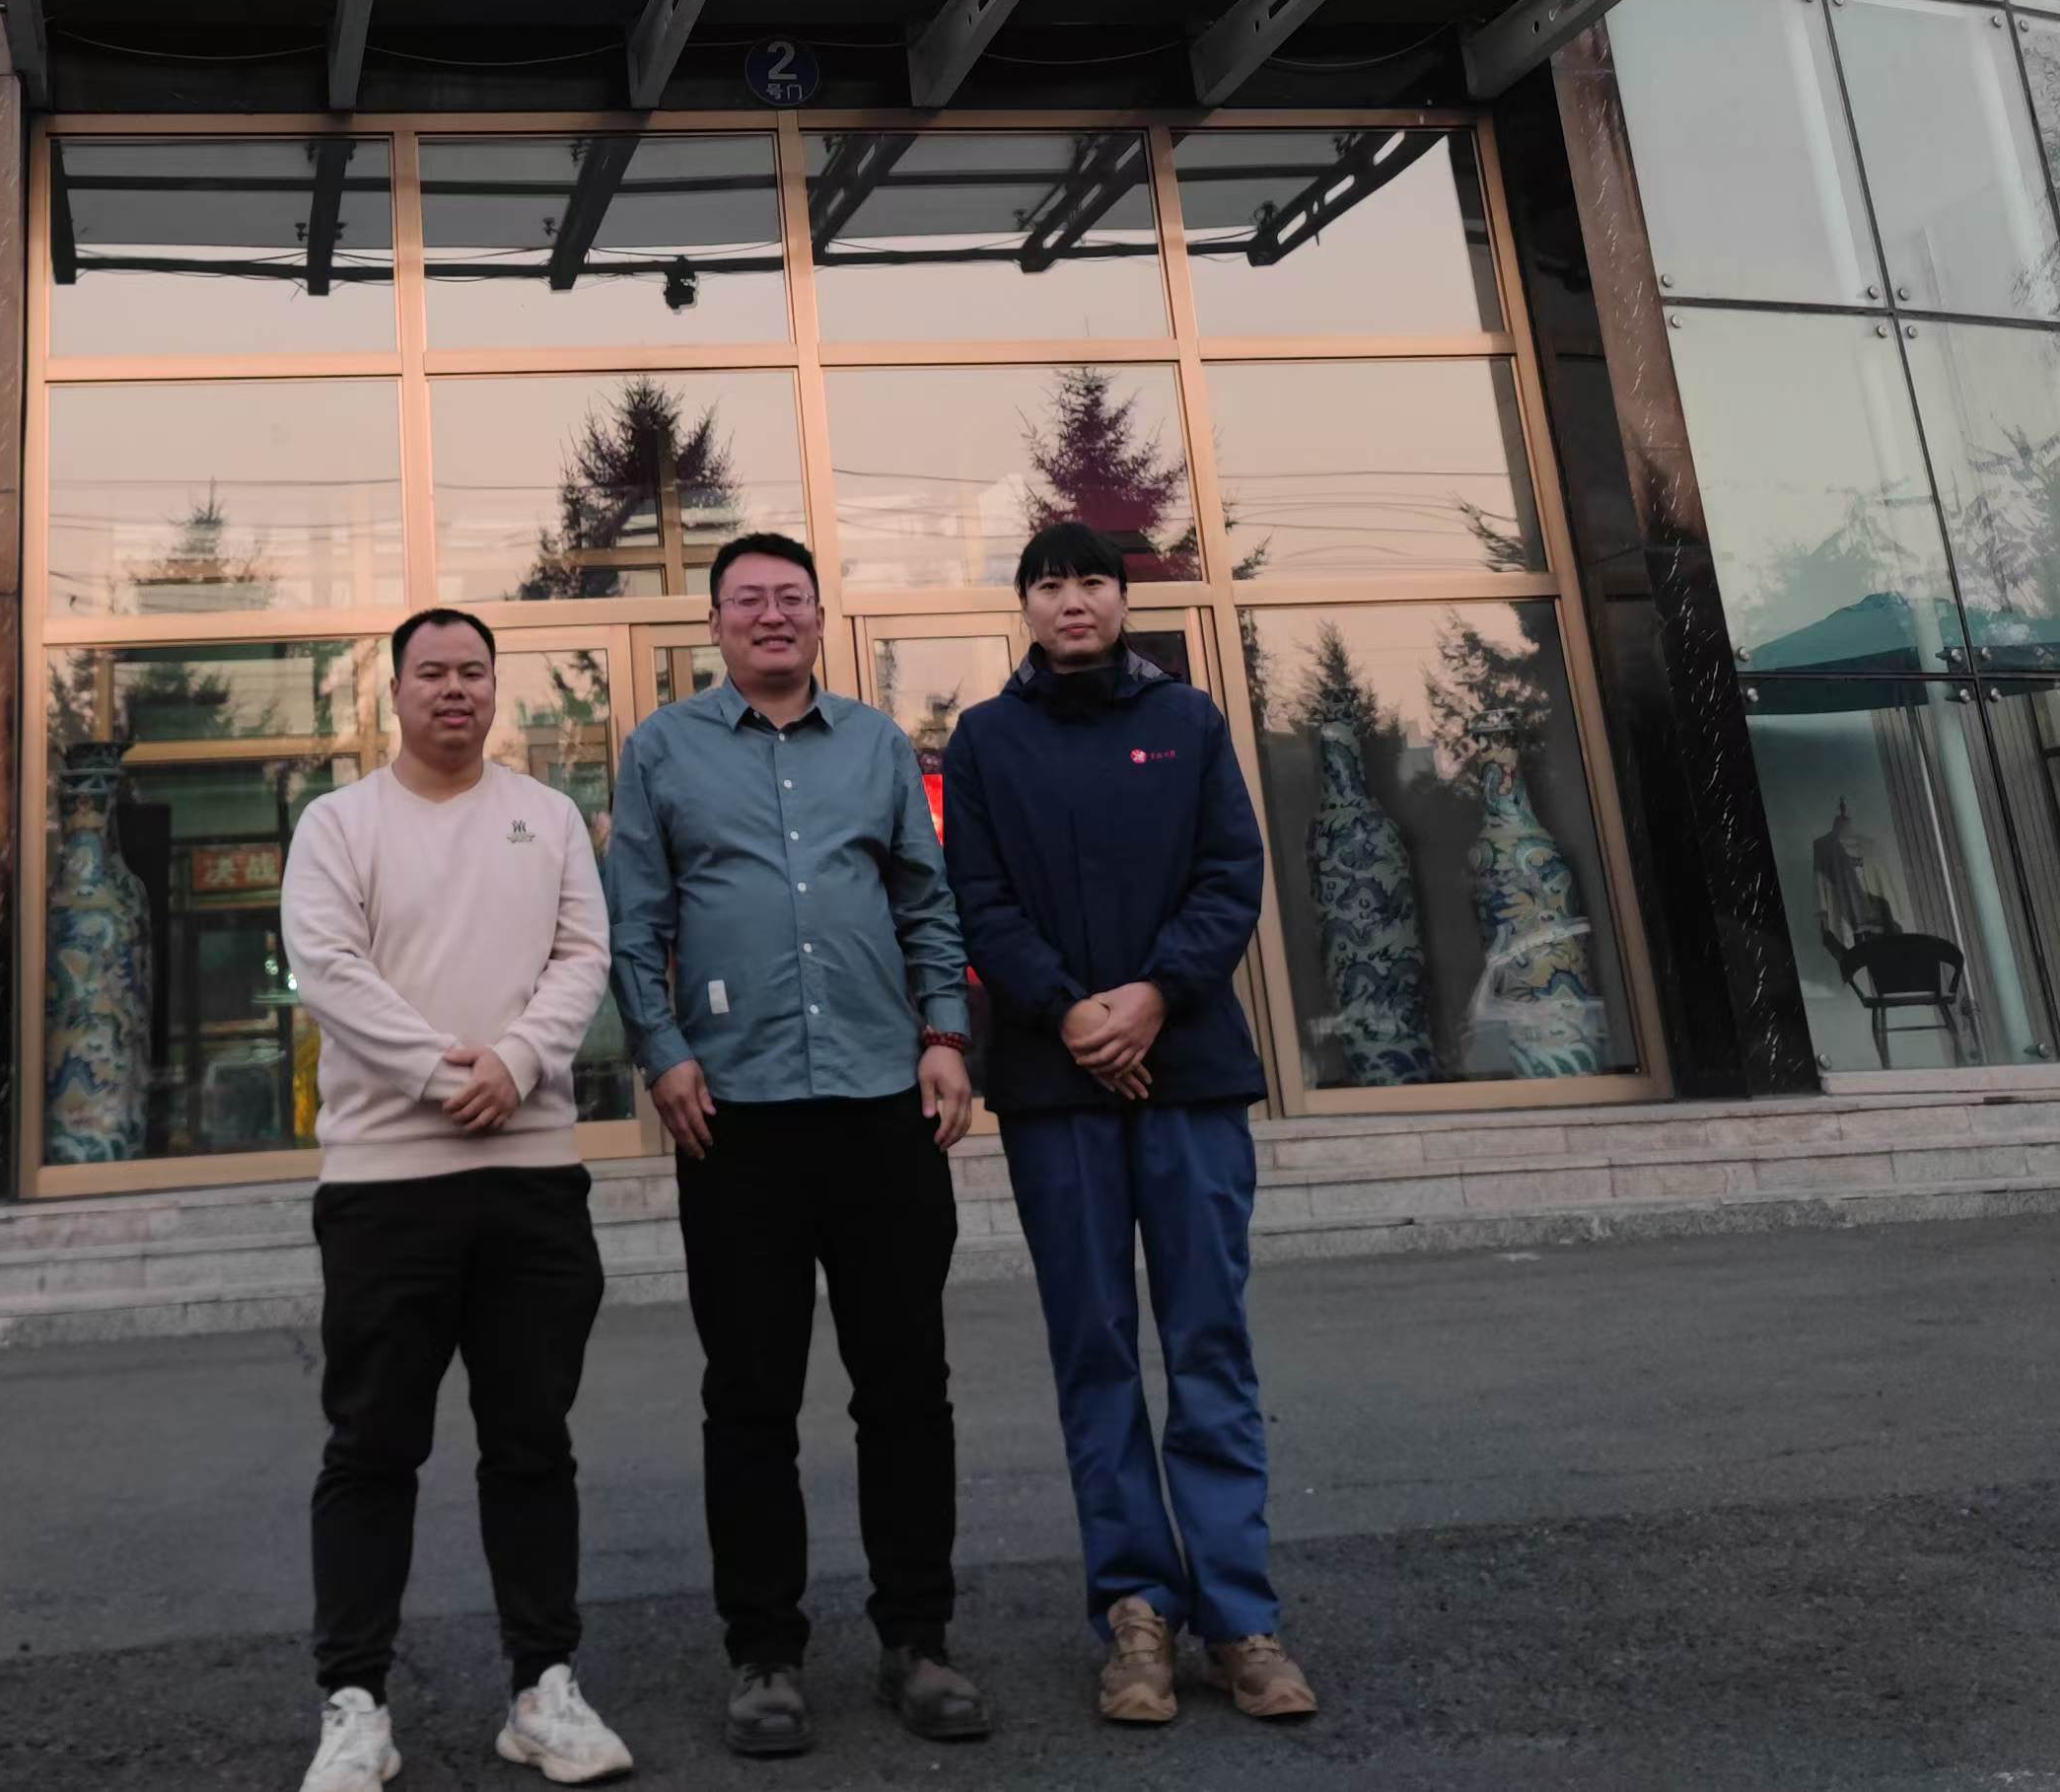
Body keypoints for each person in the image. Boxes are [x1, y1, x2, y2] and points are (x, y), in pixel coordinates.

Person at [604, 532, 989, 1758]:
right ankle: (764, 1654)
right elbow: (635, 921)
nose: (770, 616)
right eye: (747, 601)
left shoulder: (876, 746)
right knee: (749, 1398)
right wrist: (662, 1050)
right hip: (736, 1117)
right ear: (716, 624)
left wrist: (946, 1033)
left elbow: (926, 901)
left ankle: (917, 1640)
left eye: (790, 598)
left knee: (906, 1388)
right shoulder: (662, 750)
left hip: (882, 1105)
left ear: (820, 618)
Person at [935, 522, 1317, 1726]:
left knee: (1209, 1342)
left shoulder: (1188, 723)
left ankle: (1241, 1618)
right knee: (1094, 1349)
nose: (1073, 601)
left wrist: (1153, 997)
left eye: (1092, 581)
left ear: (1122, 598)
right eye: (1049, 584)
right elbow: (978, 899)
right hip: (1057, 1087)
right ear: (1025, 607)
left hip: (1187, 1072)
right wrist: (1070, 1011)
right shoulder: (986, 741)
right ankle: (1137, 1615)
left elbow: (1229, 874)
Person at [279, 607, 635, 1792]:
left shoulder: (549, 818)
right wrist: (448, 1076)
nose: (453, 690)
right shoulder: (339, 825)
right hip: (387, 1189)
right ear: (394, 692)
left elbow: (583, 957)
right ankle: (355, 1705)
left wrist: (518, 1064)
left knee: (532, 1443)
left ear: (495, 689)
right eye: (430, 672)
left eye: (473, 672)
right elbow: (328, 970)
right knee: (372, 1449)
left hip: (532, 1181)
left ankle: (544, 1690)